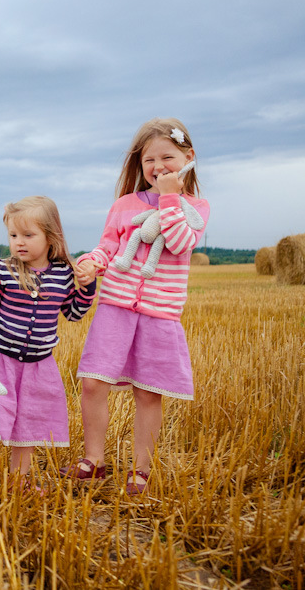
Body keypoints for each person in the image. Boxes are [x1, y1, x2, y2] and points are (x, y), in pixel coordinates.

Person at [61, 118, 210, 496]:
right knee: (93, 382)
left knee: (148, 392)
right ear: (139, 164)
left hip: (160, 314)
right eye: (149, 160)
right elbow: (107, 247)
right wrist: (90, 262)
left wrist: (170, 196)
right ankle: (94, 460)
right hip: (115, 308)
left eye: (168, 157)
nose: (159, 167)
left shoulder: (195, 208)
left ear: (188, 158)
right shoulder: (124, 205)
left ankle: (141, 469)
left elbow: (178, 242)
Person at [0, 196, 96, 483]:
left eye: (28, 235)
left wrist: (87, 287)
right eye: (13, 235)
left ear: (50, 237)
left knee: (29, 424)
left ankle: (19, 481)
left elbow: (74, 313)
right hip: (0, 362)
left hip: (39, 365)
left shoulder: (63, 274)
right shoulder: (4, 269)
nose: (19, 242)